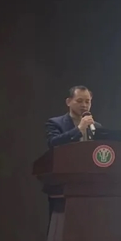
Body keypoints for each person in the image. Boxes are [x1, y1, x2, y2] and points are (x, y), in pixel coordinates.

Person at [44, 86, 101, 230]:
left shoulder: (96, 126)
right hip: (65, 185)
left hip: (92, 185)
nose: (84, 105)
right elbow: (54, 144)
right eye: (79, 101)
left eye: (88, 101)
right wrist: (79, 129)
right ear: (68, 102)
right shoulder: (55, 123)